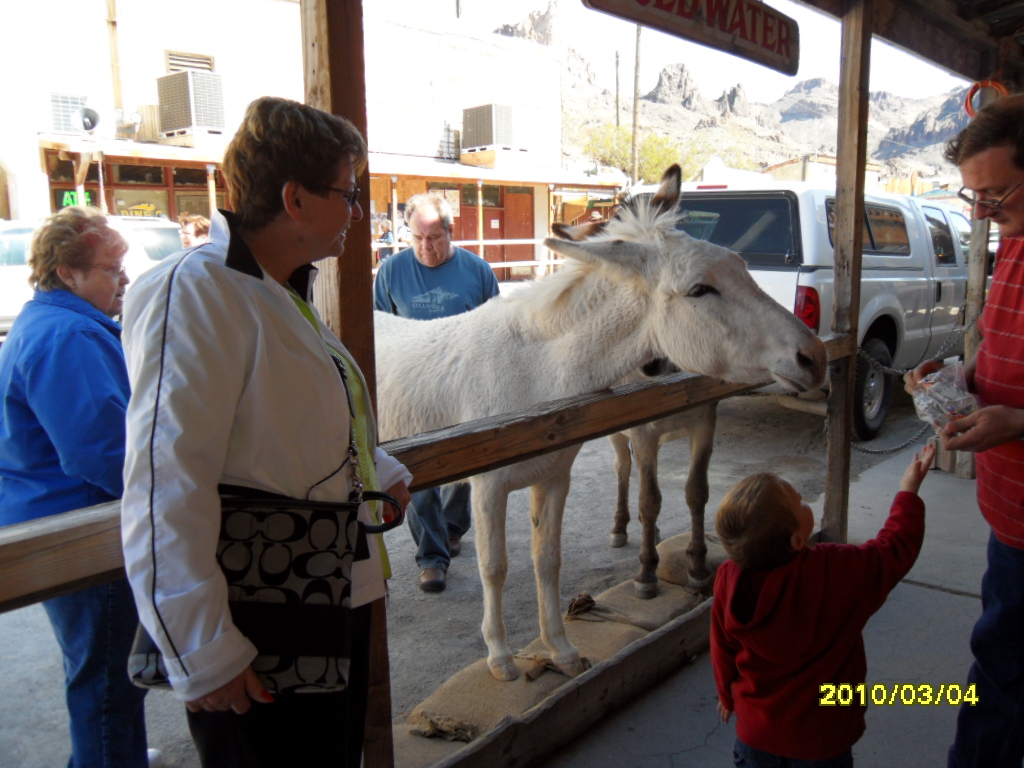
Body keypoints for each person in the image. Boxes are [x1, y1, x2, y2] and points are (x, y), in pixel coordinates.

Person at [120, 97, 412, 768]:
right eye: (348, 193)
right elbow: (166, 478)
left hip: (319, 589)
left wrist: (382, 471)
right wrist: (203, 648)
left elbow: (293, 423)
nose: (358, 212)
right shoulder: (198, 291)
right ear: (295, 199)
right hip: (259, 621)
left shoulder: (274, 290)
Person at [0, 207, 153, 767]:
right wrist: (166, 501)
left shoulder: (51, 322)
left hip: (55, 517)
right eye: (112, 269)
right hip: (82, 530)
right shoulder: (68, 335)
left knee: (104, 673)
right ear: (68, 272)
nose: (125, 279)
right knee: (106, 682)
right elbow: (104, 451)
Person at [904, 93, 1024, 768]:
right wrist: (955, 379)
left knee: (1001, 677)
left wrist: (1019, 422)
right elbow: (996, 347)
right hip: (1009, 516)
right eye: (972, 195)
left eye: (995, 194)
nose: (979, 212)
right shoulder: (1016, 242)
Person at [711, 442, 936, 768]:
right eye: (799, 501)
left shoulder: (729, 579)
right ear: (797, 540)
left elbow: (722, 646)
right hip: (823, 740)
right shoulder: (835, 569)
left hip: (756, 737)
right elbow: (892, 551)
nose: (804, 500)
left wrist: (726, 695)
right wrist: (908, 492)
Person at [373, 192, 499, 592]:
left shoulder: (478, 272)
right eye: (417, 238)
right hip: (413, 389)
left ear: (450, 231)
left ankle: (453, 526)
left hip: (466, 387)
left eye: (434, 238)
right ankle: (431, 556)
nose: (425, 247)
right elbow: (380, 330)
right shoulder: (391, 272)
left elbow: (496, 332)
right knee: (418, 470)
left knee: (466, 462)